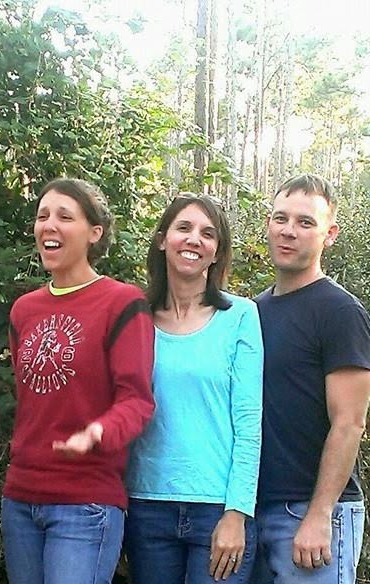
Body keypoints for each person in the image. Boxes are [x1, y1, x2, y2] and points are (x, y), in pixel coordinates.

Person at [2, 177, 155, 584]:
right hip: (21, 498)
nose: (49, 225)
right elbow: (30, 400)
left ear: (94, 232)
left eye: (65, 217)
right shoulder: (24, 310)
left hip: (86, 501)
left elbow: (137, 401)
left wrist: (97, 432)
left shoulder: (122, 302)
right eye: (42, 216)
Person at [124, 193, 263, 584]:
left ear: (217, 251)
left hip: (217, 510)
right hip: (146, 506)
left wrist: (237, 513)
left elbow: (249, 423)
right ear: (162, 239)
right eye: (183, 228)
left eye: (208, 233)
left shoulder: (241, 316)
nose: (194, 239)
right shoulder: (135, 317)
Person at [249, 174, 370, 584]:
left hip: (312, 515)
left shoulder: (340, 312)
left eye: (305, 222)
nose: (289, 231)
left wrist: (320, 514)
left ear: (329, 234)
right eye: (280, 218)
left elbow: (349, 422)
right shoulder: (253, 312)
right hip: (255, 512)